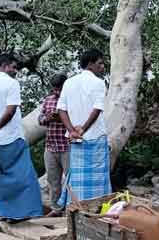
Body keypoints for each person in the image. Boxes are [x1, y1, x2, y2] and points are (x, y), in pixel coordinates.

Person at [0, 54, 43, 222]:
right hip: (11, 137)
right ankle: (25, 213)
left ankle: (5, 212)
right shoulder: (11, 84)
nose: (15, 71)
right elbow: (10, 111)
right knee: (25, 177)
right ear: (4, 66)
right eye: (13, 67)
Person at [57, 49, 111, 205]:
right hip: (94, 137)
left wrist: (71, 131)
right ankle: (96, 208)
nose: (102, 67)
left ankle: (76, 207)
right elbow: (97, 108)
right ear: (90, 64)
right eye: (100, 63)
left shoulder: (69, 82)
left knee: (78, 179)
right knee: (98, 178)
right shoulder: (98, 83)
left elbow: (61, 109)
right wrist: (82, 129)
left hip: (76, 140)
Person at [39, 73, 69, 216]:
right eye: (55, 89)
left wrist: (62, 118)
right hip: (50, 146)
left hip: (67, 146)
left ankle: (71, 208)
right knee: (53, 180)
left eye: (59, 89)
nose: (57, 92)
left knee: (70, 180)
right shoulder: (48, 100)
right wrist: (47, 118)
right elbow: (40, 119)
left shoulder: (71, 100)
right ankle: (56, 209)